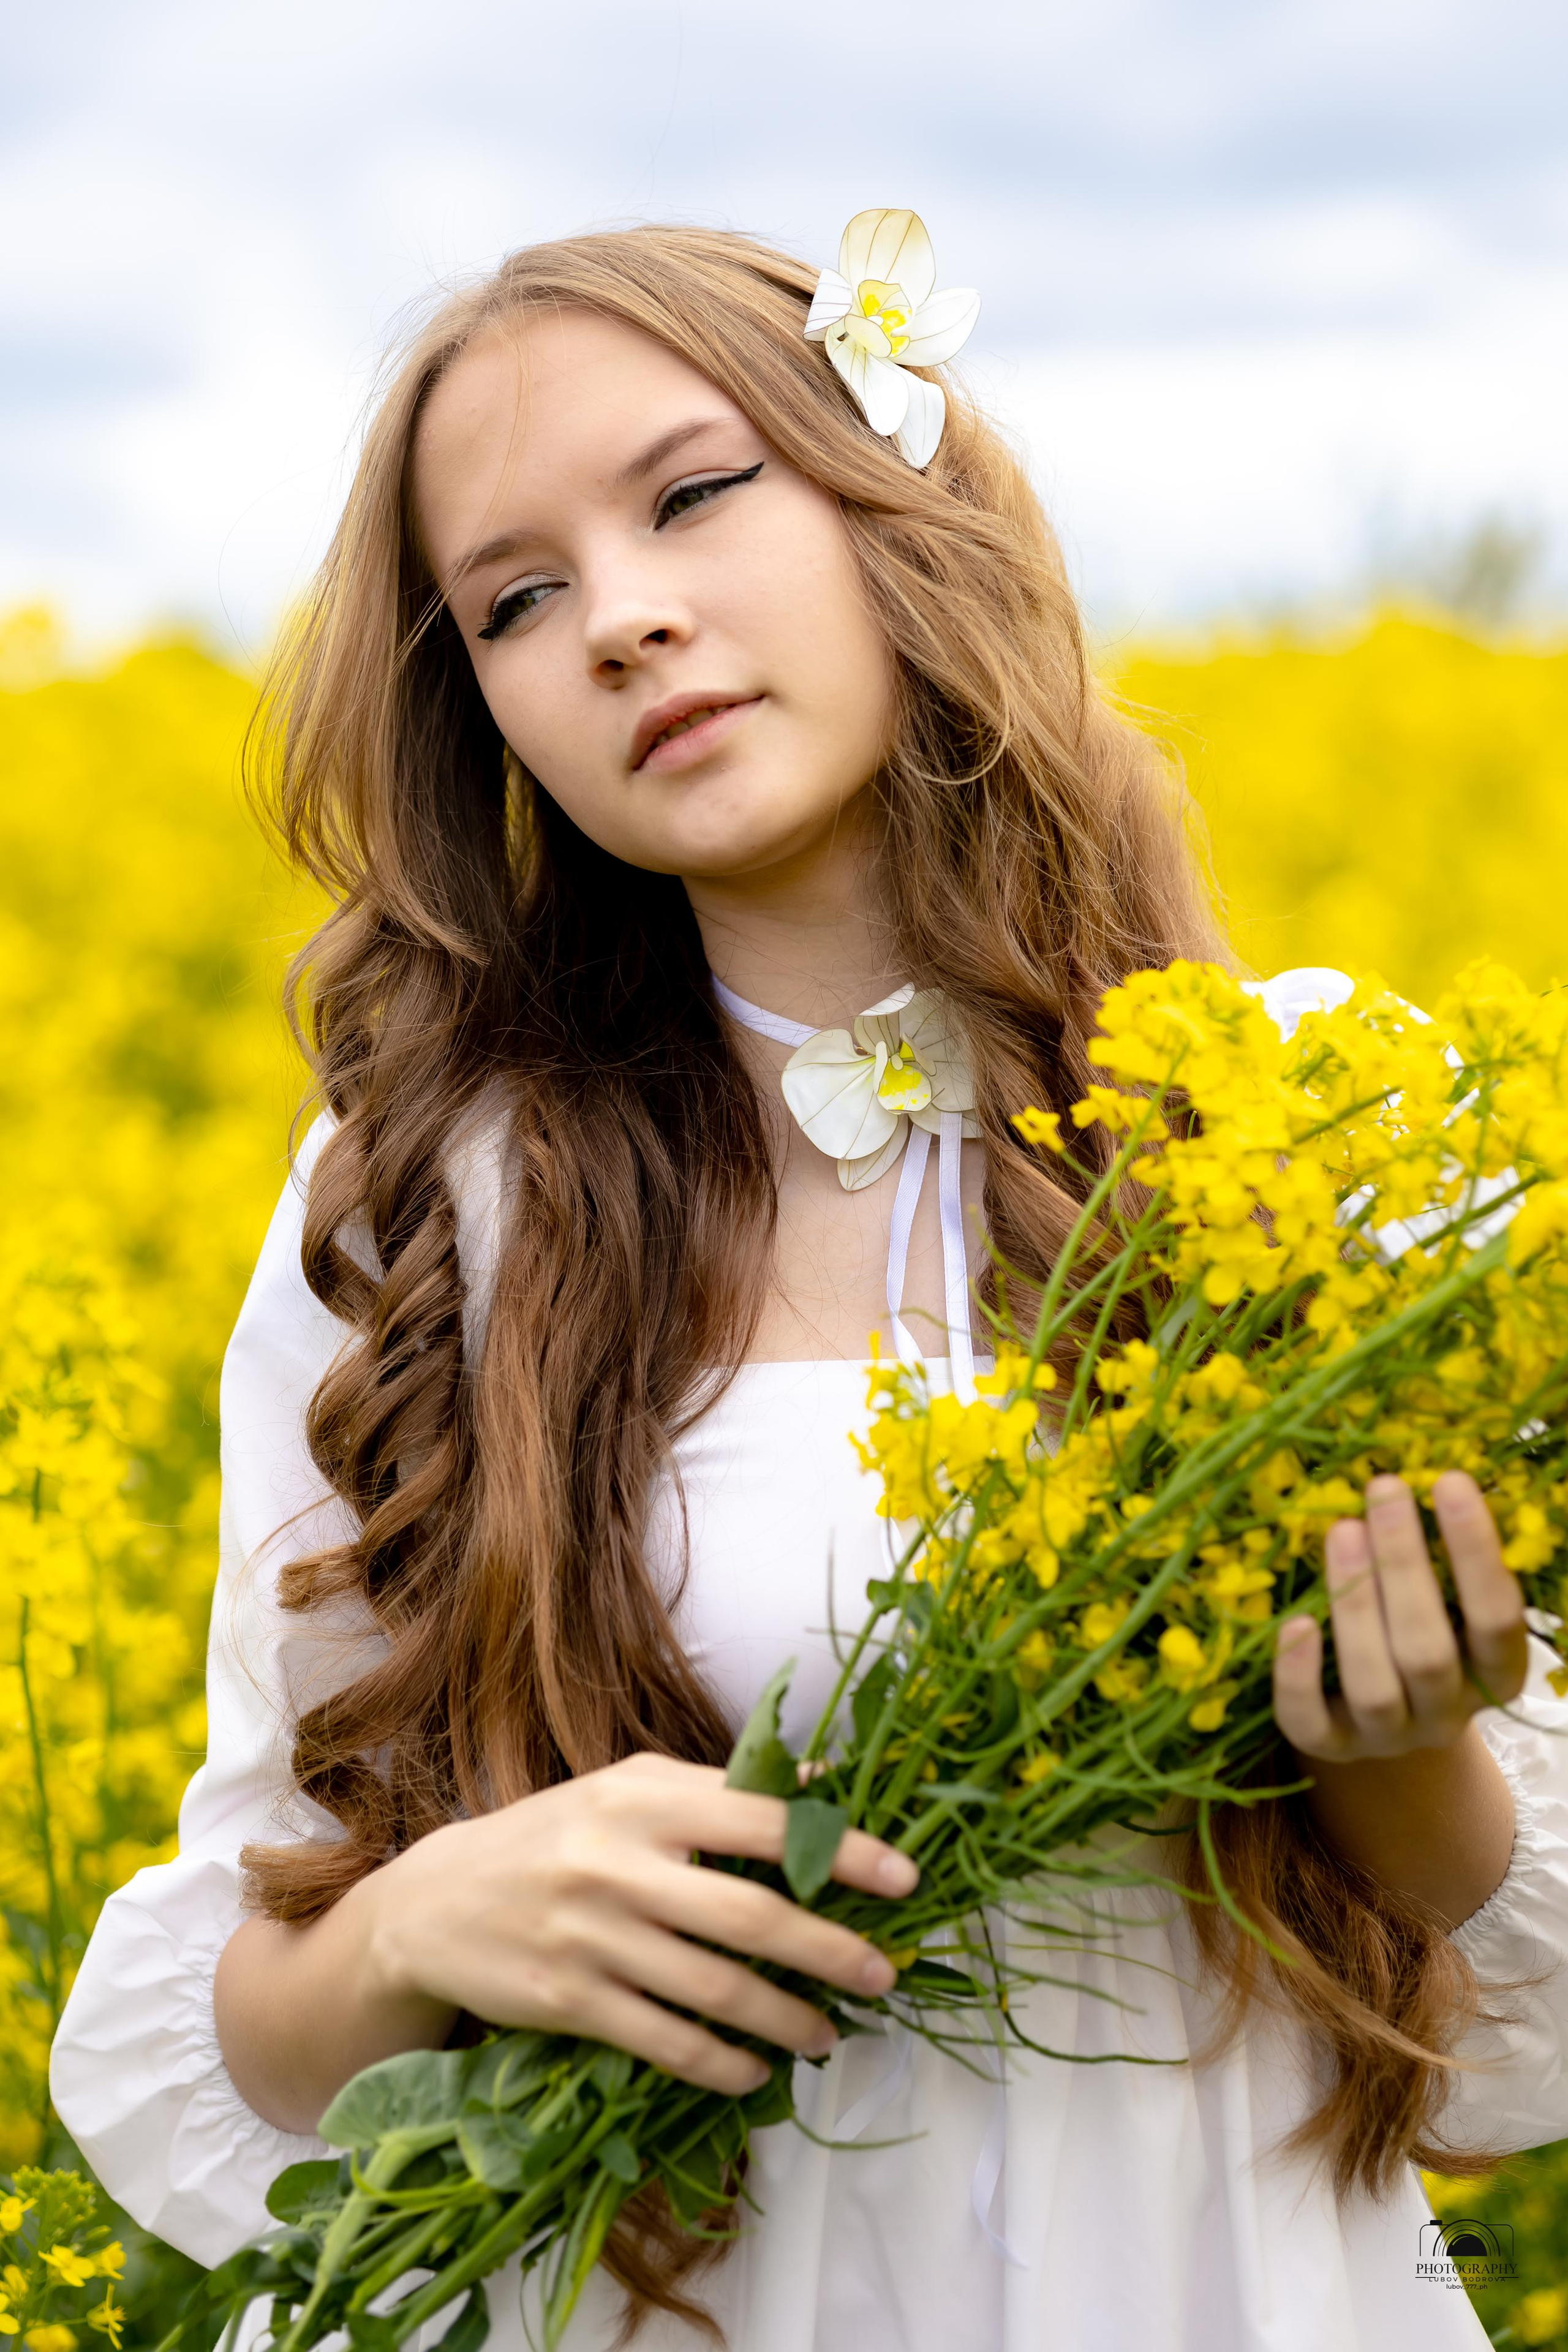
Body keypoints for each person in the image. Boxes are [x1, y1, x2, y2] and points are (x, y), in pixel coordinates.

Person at [51, 214, 1568, 2351]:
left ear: (891, 491)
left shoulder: (1317, 1135)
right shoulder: (428, 1201)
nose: (624, 621)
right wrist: (420, 1931)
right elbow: (253, 2011)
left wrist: (1397, 1745)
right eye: (516, 599)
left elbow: (1509, 2016)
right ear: (475, 704)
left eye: (689, 495)